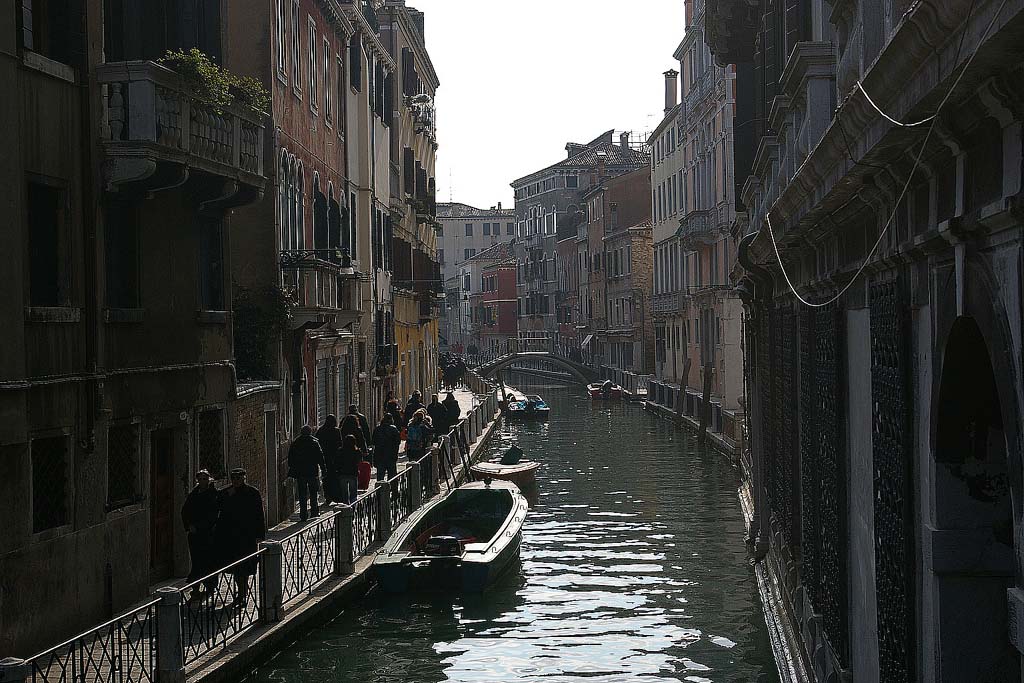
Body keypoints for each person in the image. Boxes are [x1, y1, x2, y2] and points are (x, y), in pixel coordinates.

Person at [215, 468, 266, 607]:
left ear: (244, 478)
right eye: (234, 478)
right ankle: (241, 592)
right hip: (231, 536)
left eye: (238, 478)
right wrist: (225, 496)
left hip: (247, 536)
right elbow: (218, 508)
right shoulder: (226, 493)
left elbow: (258, 515)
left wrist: (260, 535)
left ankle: (243, 593)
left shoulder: (252, 493)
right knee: (236, 566)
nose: (236, 481)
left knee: (246, 565)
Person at [181, 469, 219, 597]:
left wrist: (202, 526)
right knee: (196, 561)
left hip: (209, 534)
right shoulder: (193, 494)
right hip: (195, 535)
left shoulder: (214, 494)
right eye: (200, 479)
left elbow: (214, 514)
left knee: (209, 561)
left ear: (209, 480)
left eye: (205, 479)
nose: (203, 481)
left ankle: (210, 586)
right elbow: (185, 511)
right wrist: (189, 525)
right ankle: (196, 587)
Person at [288, 425, 327, 521]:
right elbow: (320, 457)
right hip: (312, 472)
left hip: (301, 473)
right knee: (313, 493)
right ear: (310, 432)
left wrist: (293, 468)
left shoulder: (296, 443)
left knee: (302, 494)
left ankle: (303, 514)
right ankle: (314, 512)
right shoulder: (314, 442)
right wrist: (323, 469)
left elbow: (290, 458)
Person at [316, 415, 343, 502]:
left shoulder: (321, 430)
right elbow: (340, 444)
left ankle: (327, 496)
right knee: (334, 477)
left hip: (325, 458)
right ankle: (335, 496)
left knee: (326, 477)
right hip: (335, 458)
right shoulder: (336, 431)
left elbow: (317, 443)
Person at [372, 413, 402, 481]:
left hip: (380, 455)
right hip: (391, 455)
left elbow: (373, 441)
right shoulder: (394, 429)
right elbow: (398, 441)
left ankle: (379, 491)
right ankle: (394, 490)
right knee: (392, 475)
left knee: (380, 475)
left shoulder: (377, 429)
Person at [336, 434, 363, 504]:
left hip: (342, 473)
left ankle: (346, 508)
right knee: (353, 493)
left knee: (345, 494)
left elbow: (337, 461)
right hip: (353, 473)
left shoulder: (340, 450)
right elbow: (360, 461)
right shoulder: (356, 451)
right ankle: (353, 507)